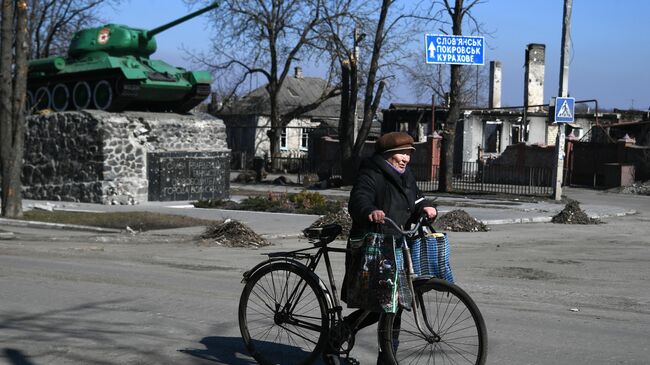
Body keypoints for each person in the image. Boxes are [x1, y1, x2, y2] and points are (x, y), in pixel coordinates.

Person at [324, 132, 437, 364]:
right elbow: (359, 199)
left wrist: (426, 206)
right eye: (401, 153)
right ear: (387, 155)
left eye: (408, 154)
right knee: (382, 306)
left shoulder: (406, 176)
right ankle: (340, 334)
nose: (406, 158)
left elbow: (415, 199)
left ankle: (387, 358)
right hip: (373, 247)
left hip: (396, 246)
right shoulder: (371, 173)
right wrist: (370, 211)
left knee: (393, 307)